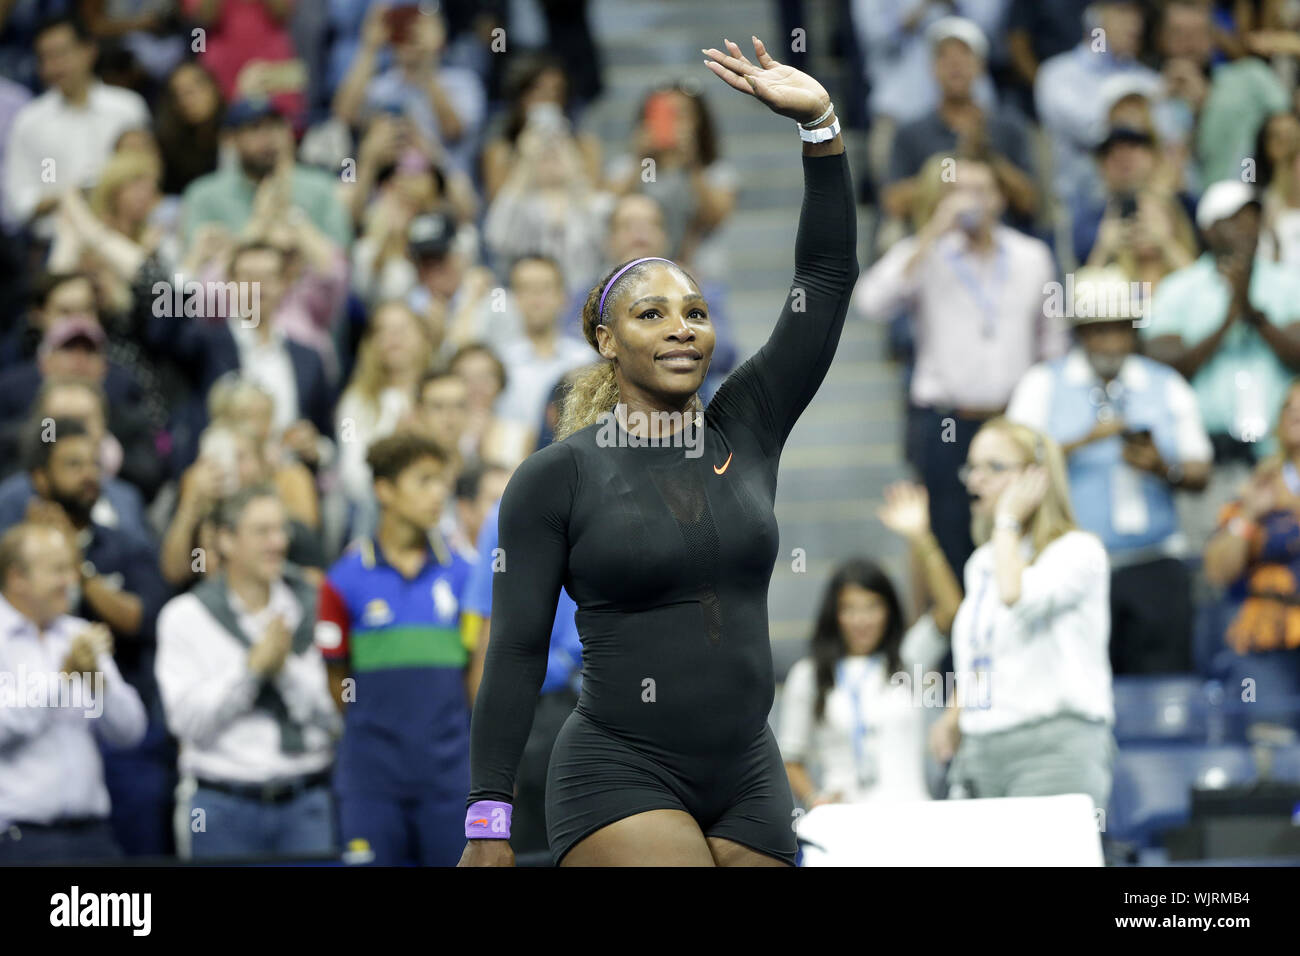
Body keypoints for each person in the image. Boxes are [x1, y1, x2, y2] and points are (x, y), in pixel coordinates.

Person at [461, 36, 857, 867]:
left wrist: (820, 126)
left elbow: (822, 277)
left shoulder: (747, 423)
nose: (682, 325)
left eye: (696, 311)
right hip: (618, 768)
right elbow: (517, 651)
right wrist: (488, 821)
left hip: (750, 767)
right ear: (606, 340)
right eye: (652, 314)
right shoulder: (555, 477)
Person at [853, 154, 1065, 575]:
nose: (970, 201)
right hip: (947, 424)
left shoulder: (1032, 256)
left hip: (1013, 421)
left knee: (1022, 536)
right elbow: (871, 302)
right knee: (951, 542)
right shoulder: (928, 252)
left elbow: (1054, 344)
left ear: (1000, 199)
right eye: (958, 190)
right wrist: (930, 231)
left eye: (980, 190)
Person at [1007, 267, 1213, 674]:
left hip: (1154, 561)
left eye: (1119, 328)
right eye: (1098, 329)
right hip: (1069, 567)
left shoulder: (1165, 383)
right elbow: (1010, 465)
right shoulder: (1042, 384)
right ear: (1080, 333)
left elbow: (1200, 470)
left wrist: (1162, 468)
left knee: (1163, 687)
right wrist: (1081, 442)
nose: (1110, 341)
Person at [929, 419, 1115, 811]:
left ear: (1037, 478)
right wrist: (953, 716)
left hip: (1051, 749)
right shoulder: (983, 562)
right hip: (980, 751)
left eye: (993, 468)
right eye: (972, 468)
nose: (975, 480)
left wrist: (1007, 520)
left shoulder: (1078, 552)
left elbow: (1016, 595)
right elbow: (983, 649)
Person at [316, 432, 473, 866]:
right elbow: (336, 679)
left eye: (442, 481)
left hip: (450, 780)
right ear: (384, 490)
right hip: (371, 782)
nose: (439, 493)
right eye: (424, 481)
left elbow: (475, 677)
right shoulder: (342, 581)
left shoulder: (466, 575)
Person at [156, 486, 338, 860]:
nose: (277, 543)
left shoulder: (313, 604)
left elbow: (336, 717)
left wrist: (282, 668)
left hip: (305, 802)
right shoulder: (186, 617)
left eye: (280, 530)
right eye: (261, 532)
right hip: (220, 804)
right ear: (225, 539)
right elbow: (188, 724)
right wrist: (252, 669)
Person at [1142, 179, 1300, 549]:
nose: (1246, 229)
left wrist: (1253, 314)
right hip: (1208, 459)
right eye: (1234, 220)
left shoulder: (1287, 283)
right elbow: (1163, 364)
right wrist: (1229, 318)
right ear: (1208, 229)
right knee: (1211, 566)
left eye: (1252, 219)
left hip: (1277, 458)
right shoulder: (1180, 288)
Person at [0, 523, 147, 863]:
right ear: (17, 577)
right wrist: (64, 676)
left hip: (93, 835)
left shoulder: (79, 635)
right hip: (18, 841)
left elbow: (130, 732)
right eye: (57, 570)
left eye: (71, 568)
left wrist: (97, 681)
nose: (71, 581)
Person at [778, 559, 948, 809]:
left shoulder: (908, 659)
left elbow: (950, 610)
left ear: (889, 610)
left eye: (872, 607)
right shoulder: (809, 674)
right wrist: (814, 799)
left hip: (912, 812)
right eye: (849, 609)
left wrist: (922, 539)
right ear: (835, 614)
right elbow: (790, 759)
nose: (861, 620)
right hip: (845, 820)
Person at [1203, 379, 1300, 731]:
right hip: (1264, 640)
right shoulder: (1258, 486)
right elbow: (1217, 571)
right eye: (1289, 408)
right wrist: (1248, 516)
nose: (1297, 415)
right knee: (1266, 733)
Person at [1, 14, 150, 233]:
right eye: (45, 57)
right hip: (53, 238)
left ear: (89, 50)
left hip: (122, 234)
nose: (54, 66)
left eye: (61, 54)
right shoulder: (29, 120)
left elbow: (146, 173)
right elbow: (19, 201)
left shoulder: (128, 108)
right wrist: (71, 197)